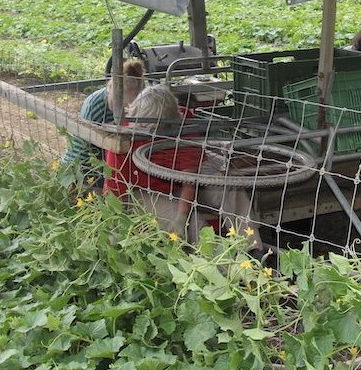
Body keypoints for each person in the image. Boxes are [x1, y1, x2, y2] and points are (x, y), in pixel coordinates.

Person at [108, 84, 262, 250]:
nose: (153, 135)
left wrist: (182, 215)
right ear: (135, 117)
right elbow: (115, 193)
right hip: (142, 191)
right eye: (149, 129)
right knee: (193, 223)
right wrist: (114, 229)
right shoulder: (121, 139)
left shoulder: (182, 124)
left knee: (229, 188)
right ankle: (221, 269)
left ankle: (252, 251)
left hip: (180, 183)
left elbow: (189, 178)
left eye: (159, 130)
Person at [60, 58, 144, 189]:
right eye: (118, 102)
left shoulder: (140, 103)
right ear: (110, 88)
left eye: (127, 107)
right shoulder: (95, 105)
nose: (122, 110)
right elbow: (82, 151)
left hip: (113, 164)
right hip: (85, 167)